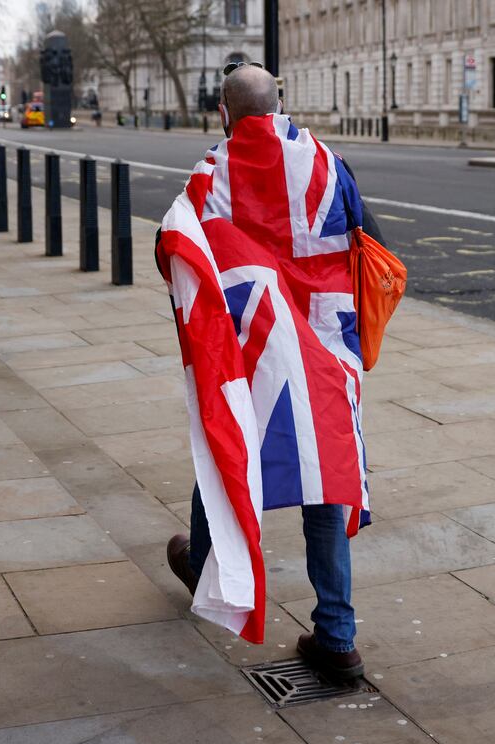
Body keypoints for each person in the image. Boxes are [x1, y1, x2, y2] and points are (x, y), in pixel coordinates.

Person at [162, 62, 382, 683]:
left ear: (224, 114)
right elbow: (369, 242)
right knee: (325, 474)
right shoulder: (328, 162)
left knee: (225, 439)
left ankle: (205, 561)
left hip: (252, 351)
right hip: (326, 350)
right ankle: (338, 636)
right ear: (281, 104)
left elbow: (178, 248)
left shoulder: (211, 172)